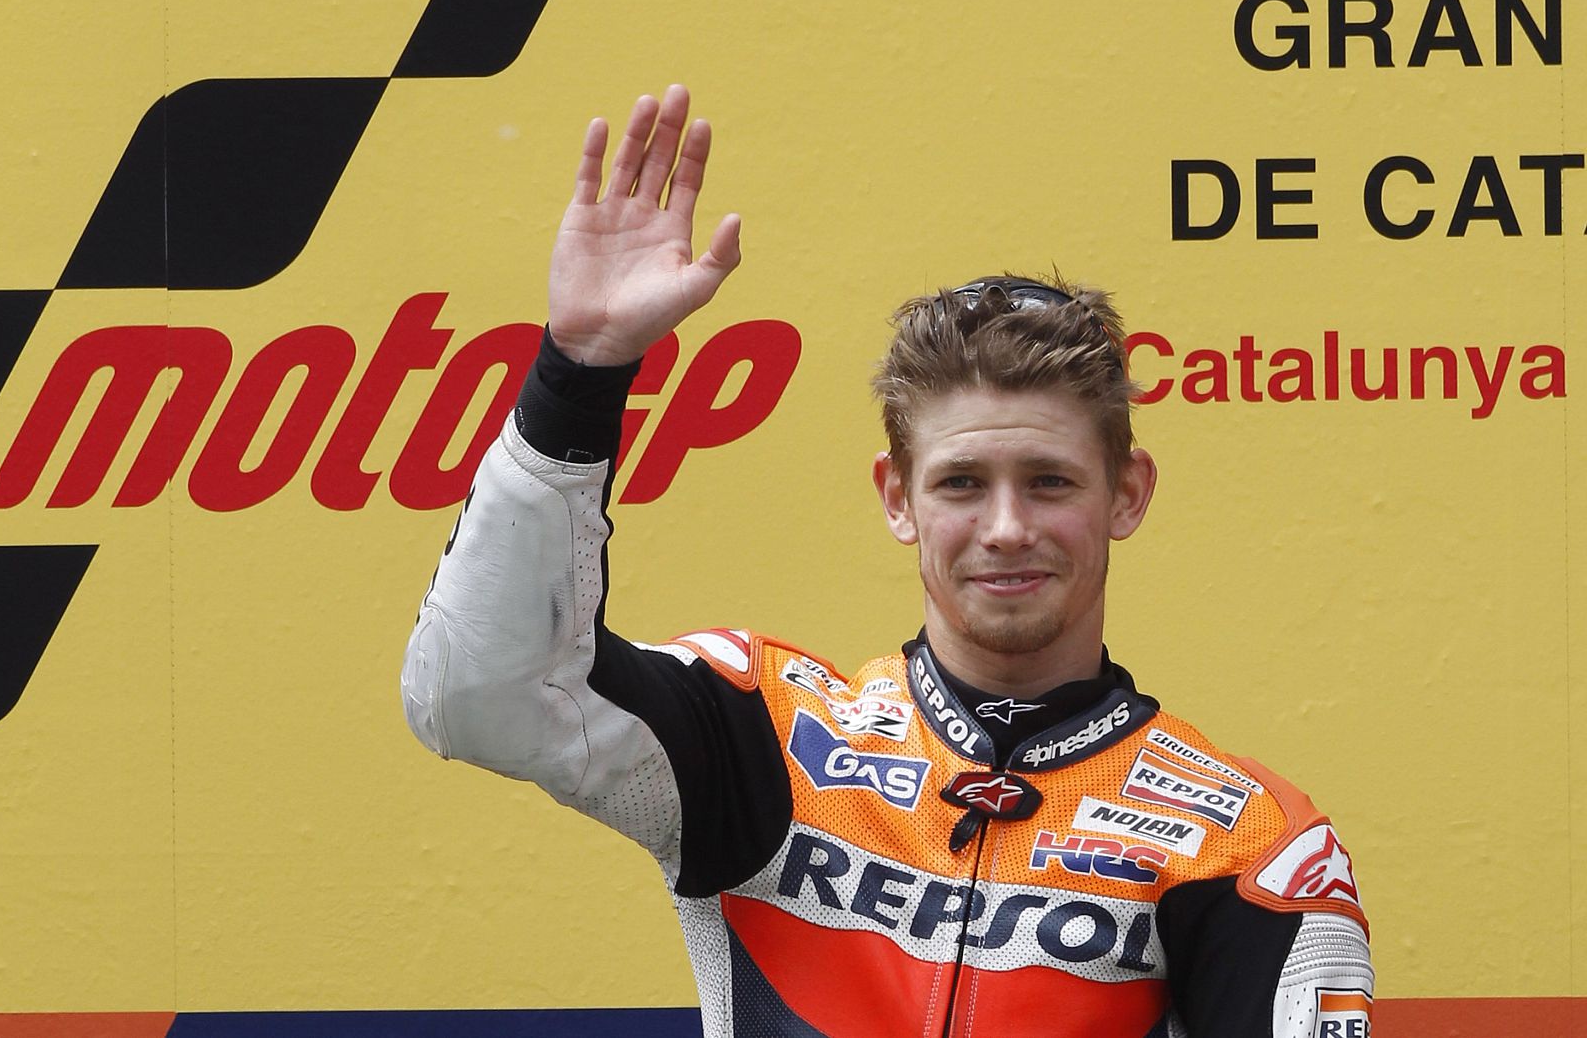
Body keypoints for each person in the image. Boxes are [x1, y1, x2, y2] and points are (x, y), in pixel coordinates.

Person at [402, 86, 1374, 1037]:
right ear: (895, 498)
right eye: (959, 484)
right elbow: (476, 695)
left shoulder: (1246, 845)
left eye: (1048, 482)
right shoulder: (767, 739)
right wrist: (579, 373)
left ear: (1126, 494)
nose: (1003, 528)